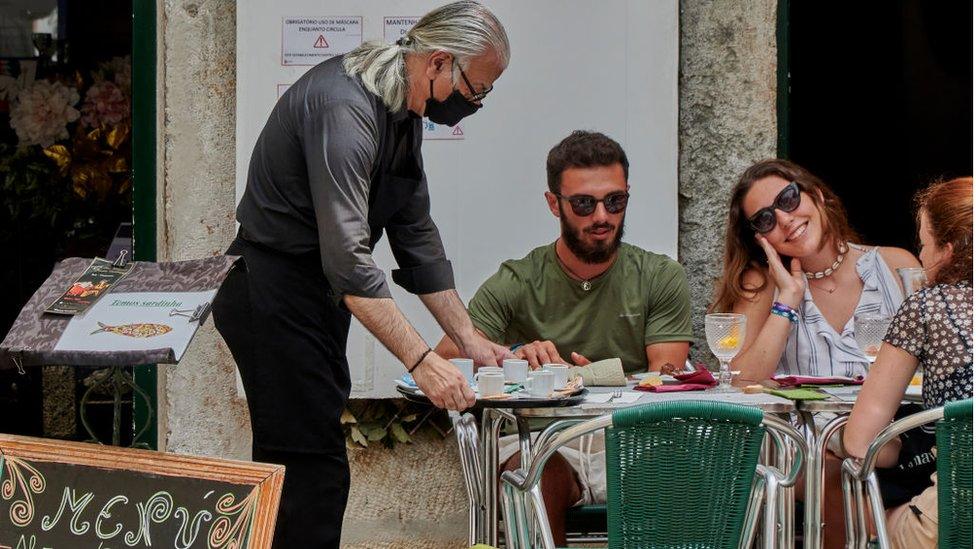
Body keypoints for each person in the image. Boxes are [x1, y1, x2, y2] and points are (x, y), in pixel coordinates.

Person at [211, 3, 512, 547]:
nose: (476, 103)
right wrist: (422, 362)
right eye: (476, 89)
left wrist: (470, 340)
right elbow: (348, 260)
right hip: (270, 289)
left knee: (314, 460)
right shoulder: (345, 108)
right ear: (439, 63)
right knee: (304, 465)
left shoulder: (403, 112)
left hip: (316, 296)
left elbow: (416, 234)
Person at [436, 130, 694, 544]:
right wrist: (516, 356)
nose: (601, 217)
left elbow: (666, 377)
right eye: (583, 204)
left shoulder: (659, 275)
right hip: (541, 438)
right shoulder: (518, 280)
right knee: (535, 471)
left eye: (615, 201)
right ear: (554, 203)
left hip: (630, 437)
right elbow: (445, 362)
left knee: (681, 466)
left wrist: (588, 379)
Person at [711, 158, 920, 548]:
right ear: (759, 239)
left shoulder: (895, 265)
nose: (785, 219)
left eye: (788, 199)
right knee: (831, 464)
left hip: (897, 440)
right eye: (765, 220)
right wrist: (788, 299)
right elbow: (739, 383)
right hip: (808, 446)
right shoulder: (764, 285)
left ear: (817, 195)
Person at [844, 177, 973, 549]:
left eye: (924, 243)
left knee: (867, 522)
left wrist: (898, 445)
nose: (921, 255)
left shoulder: (928, 306)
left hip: (960, 514)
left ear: (947, 250)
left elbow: (862, 441)